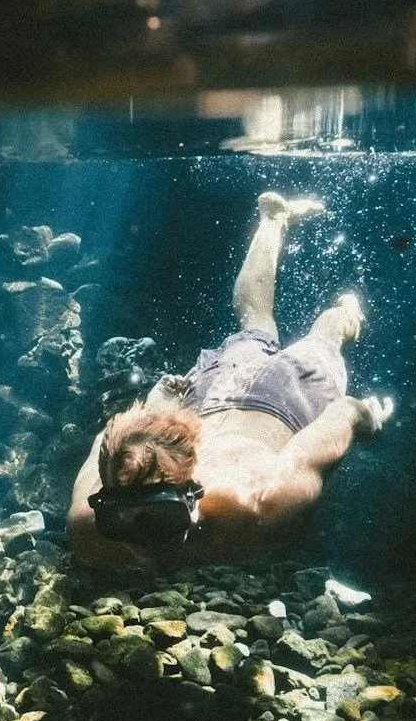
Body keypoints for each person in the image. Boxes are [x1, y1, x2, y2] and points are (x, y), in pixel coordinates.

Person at [69, 192, 393, 570]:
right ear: (102, 502)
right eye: (116, 521)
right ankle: (274, 219)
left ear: (193, 494)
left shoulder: (264, 500)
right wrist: (158, 409)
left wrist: (368, 420)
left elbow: (346, 410)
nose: (140, 542)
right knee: (255, 322)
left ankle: (346, 309)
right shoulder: (89, 521)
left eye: (160, 519)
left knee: (326, 335)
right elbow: (106, 442)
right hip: (214, 391)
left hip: (288, 396)